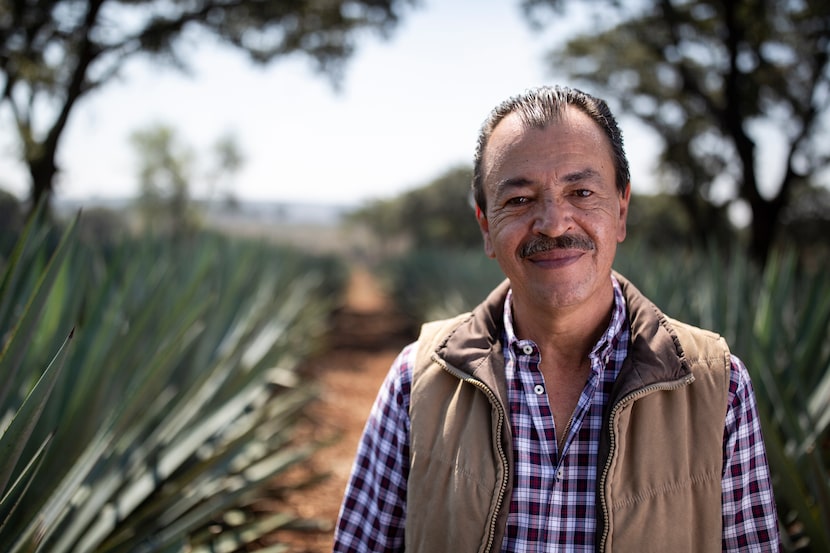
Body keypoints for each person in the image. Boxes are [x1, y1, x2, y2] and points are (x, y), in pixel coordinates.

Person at [333, 85, 780, 552]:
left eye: (581, 192)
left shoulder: (718, 386)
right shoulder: (418, 378)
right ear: (487, 226)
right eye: (520, 200)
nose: (553, 222)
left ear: (621, 209)